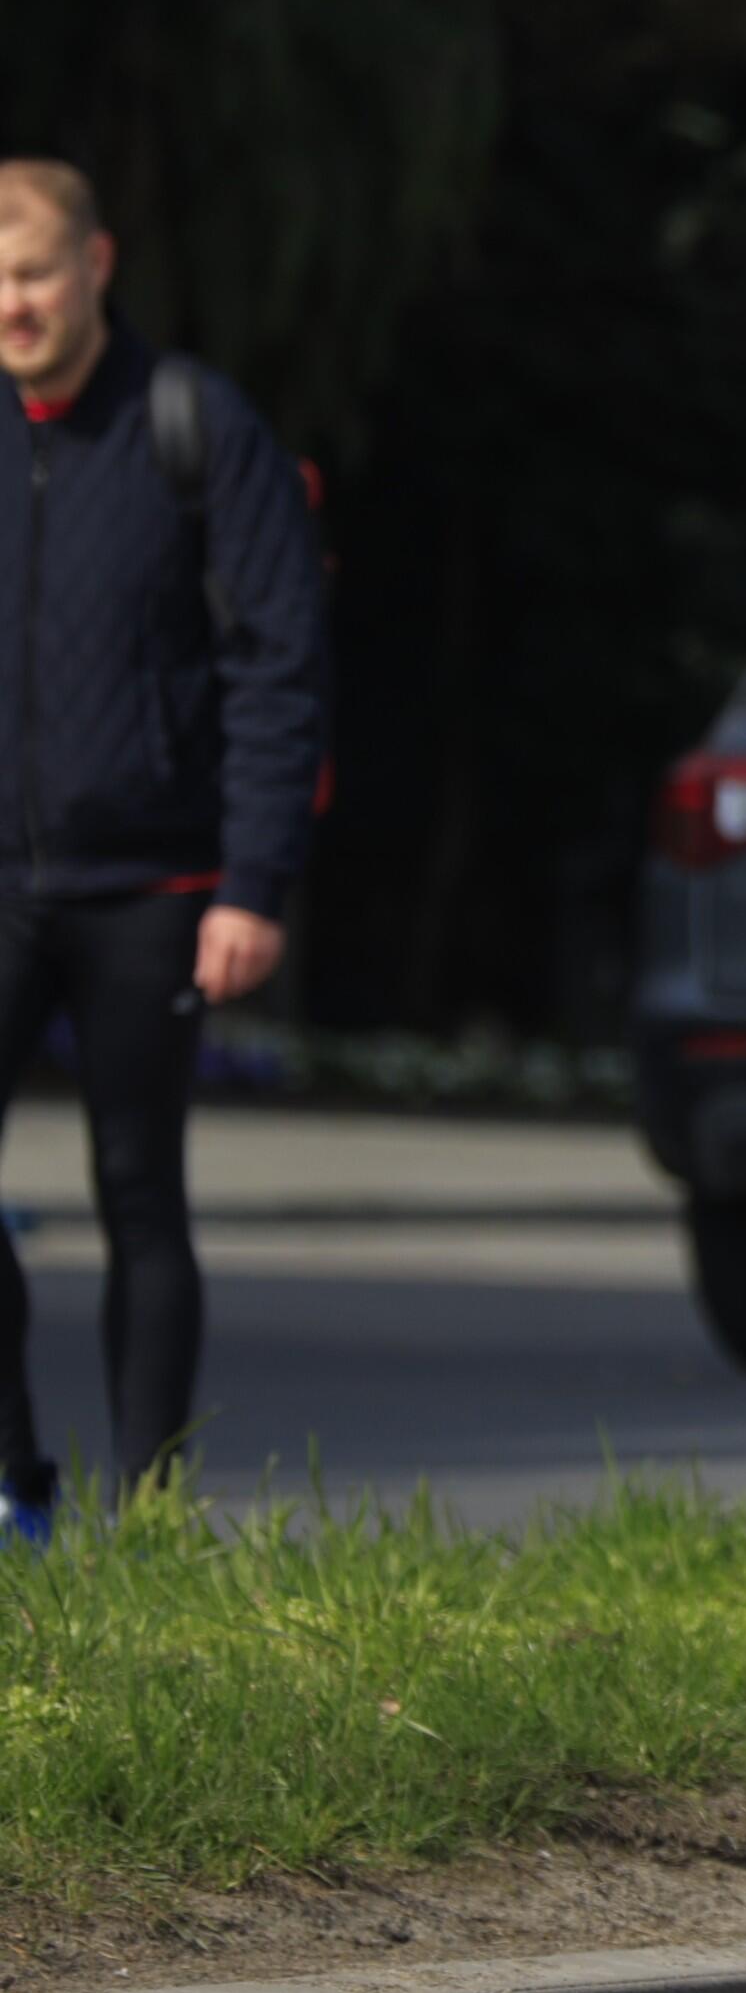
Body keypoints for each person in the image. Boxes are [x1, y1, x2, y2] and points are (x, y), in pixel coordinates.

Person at [0, 161, 334, 1532]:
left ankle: (146, 1514)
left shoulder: (193, 425)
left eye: (32, 272)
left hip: (158, 885)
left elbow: (280, 666)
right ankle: (15, 1485)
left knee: (140, 1190)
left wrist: (252, 883)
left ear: (95, 265)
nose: (12, 304)